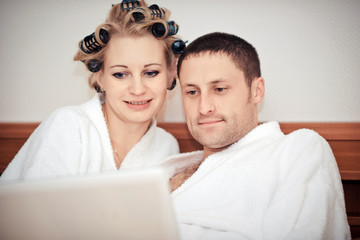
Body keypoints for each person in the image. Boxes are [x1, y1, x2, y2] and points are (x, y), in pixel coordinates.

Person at [162, 32, 351, 239]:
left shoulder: (297, 149)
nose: (203, 107)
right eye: (192, 92)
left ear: (256, 91)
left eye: (220, 89)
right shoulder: (167, 172)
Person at [1, 0, 186, 182]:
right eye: (120, 74)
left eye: (151, 72)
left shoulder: (166, 146)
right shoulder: (67, 126)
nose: (138, 89)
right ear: (100, 77)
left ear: (171, 73)